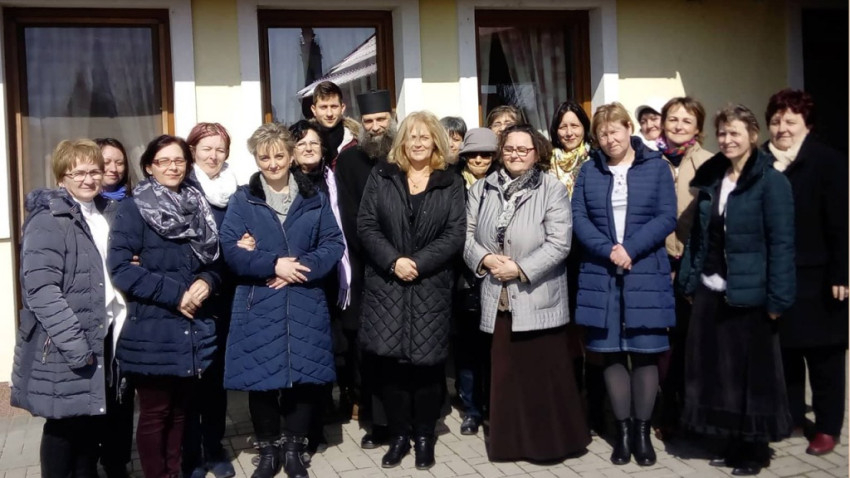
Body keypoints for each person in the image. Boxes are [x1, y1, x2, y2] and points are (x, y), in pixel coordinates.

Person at [220, 123, 345, 478]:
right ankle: (268, 450)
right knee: (262, 381)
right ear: (256, 160)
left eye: (279, 155)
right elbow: (230, 249)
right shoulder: (243, 200)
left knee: (302, 381)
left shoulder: (313, 198)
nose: (273, 163)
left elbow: (333, 243)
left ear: (291, 157)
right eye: (265, 157)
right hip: (259, 301)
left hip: (304, 298)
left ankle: (294, 449)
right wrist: (272, 264)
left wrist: (298, 268)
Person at [679, 104, 795, 476]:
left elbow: (782, 244)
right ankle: (730, 440)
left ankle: (754, 450)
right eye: (723, 133)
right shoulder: (715, 177)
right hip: (712, 289)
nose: (727, 140)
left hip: (752, 294)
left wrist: (778, 299)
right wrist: (690, 280)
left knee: (753, 375)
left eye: (735, 133)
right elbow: (700, 236)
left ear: (753, 136)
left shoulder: (771, 182)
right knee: (721, 371)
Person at [465, 124, 590, 462]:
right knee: (505, 376)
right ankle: (510, 445)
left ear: (536, 153)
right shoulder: (482, 189)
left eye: (523, 149)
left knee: (543, 376)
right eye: (509, 149)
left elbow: (559, 243)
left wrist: (520, 268)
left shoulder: (551, 189)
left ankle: (550, 446)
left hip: (538, 295)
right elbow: (466, 235)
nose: (515, 155)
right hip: (498, 294)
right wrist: (485, 259)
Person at [108, 135, 222, 478]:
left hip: (191, 327)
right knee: (156, 413)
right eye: (164, 161)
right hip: (153, 327)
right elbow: (121, 269)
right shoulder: (134, 209)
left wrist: (208, 281)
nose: (173, 167)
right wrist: (177, 295)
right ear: (149, 167)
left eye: (179, 160)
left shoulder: (197, 204)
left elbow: (214, 261)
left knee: (181, 412)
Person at [357, 111, 465, 470]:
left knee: (427, 370)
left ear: (435, 141)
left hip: (430, 285)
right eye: (411, 136)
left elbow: (455, 233)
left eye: (424, 137)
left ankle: (423, 437)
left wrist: (417, 262)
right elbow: (367, 225)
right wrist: (394, 261)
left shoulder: (450, 182)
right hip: (387, 286)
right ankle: (399, 436)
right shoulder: (382, 175)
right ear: (401, 141)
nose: (417, 143)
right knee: (392, 369)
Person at [11, 139, 126, 478]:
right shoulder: (49, 219)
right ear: (62, 177)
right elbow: (41, 291)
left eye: (95, 171)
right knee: (63, 428)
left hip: (103, 333)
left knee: (89, 426)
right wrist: (75, 345)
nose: (89, 179)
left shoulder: (105, 213)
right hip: (66, 341)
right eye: (79, 173)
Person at [571, 102, 676, 467]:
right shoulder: (589, 170)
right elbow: (579, 217)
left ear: (629, 128)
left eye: (614, 131)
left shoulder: (656, 167)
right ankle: (624, 433)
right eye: (602, 134)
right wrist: (609, 250)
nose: (609, 139)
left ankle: (643, 432)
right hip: (602, 272)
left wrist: (630, 248)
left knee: (645, 351)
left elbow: (667, 216)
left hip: (644, 269)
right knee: (612, 351)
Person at [763, 89, 848, 456]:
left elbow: (842, 222)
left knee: (825, 356)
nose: (782, 128)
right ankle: (793, 416)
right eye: (776, 121)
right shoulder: (760, 161)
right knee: (785, 352)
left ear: (806, 125)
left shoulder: (827, 161)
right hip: (776, 275)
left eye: (790, 121)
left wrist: (842, 272)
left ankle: (828, 427)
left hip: (820, 275)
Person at [335, 89, 395, 448]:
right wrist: (382, 253)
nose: (375, 127)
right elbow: (350, 216)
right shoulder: (348, 161)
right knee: (368, 346)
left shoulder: (406, 154)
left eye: (381, 119)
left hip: (406, 266)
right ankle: (374, 418)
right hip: (365, 267)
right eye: (369, 121)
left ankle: (411, 420)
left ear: (392, 117)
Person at [288, 119, 352, 457]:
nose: (309, 148)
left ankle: (318, 422)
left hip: (329, 276)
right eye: (301, 144)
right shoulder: (284, 182)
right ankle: (299, 429)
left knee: (324, 351)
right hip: (296, 278)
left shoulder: (332, 178)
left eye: (314, 142)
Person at [181, 122, 239, 478]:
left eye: (220, 149)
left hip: (224, 293)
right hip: (189, 295)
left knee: (216, 379)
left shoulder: (236, 189)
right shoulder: (182, 188)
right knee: (191, 380)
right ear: (192, 151)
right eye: (206, 148)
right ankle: (190, 454)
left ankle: (214, 447)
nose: (213, 156)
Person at [654, 97, 713, 440]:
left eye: (686, 120)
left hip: (694, 265)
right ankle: (669, 412)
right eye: (673, 119)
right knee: (664, 345)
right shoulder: (650, 161)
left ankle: (697, 413)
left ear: (697, 128)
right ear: (663, 123)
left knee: (694, 342)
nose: (678, 126)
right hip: (657, 262)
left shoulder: (710, 163)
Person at [92, 137, 135, 478]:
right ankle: (90, 456)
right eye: (106, 161)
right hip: (92, 310)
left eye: (119, 161)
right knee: (95, 387)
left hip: (126, 308)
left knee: (122, 389)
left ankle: (117, 461)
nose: (113, 168)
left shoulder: (134, 204)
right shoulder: (82, 206)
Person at [452, 127, 498, 436]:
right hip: (461, 277)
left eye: (486, 154)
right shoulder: (453, 183)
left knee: (493, 348)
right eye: (473, 155)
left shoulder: (503, 184)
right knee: (467, 349)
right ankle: (471, 408)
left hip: (496, 275)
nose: (479, 160)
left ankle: (495, 405)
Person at [310, 81, 359, 169]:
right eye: (323, 107)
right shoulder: (303, 144)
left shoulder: (357, 142)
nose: (329, 113)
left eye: (334, 107)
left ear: (342, 108)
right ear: (314, 110)